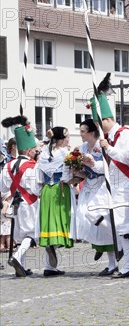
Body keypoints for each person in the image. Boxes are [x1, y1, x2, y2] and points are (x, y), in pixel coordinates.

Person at [96, 80, 129, 279]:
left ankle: (127, 265)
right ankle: (120, 254)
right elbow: (108, 165)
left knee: (122, 226)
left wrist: (108, 148)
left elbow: (128, 158)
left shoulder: (125, 134)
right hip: (111, 186)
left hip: (126, 186)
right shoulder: (108, 138)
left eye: (98, 122)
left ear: (107, 119)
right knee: (96, 216)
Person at [76, 118, 118, 276]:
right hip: (89, 187)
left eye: (82, 131)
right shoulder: (83, 147)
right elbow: (83, 170)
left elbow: (109, 168)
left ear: (92, 132)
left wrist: (93, 164)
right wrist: (77, 171)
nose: (80, 134)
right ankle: (99, 247)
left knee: (103, 223)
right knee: (89, 220)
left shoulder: (101, 146)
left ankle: (113, 261)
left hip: (101, 187)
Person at [0, 116, 40, 277]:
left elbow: (3, 188)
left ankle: (21, 266)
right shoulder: (32, 166)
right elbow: (35, 189)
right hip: (29, 203)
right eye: (35, 150)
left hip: (14, 204)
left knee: (20, 234)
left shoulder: (7, 166)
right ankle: (16, 257)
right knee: (31, 234)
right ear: (29, 150)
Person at [37, 125, 75, 276]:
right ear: (60, 140)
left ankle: (49, 267)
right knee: (63, 221)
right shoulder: (65, 154)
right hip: (61, 189)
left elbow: (39, 177)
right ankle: (55, 246)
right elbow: (66, 177)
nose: (68, 140)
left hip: (46, 190)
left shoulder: (44, 154)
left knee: (49, 223)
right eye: (66, 137)